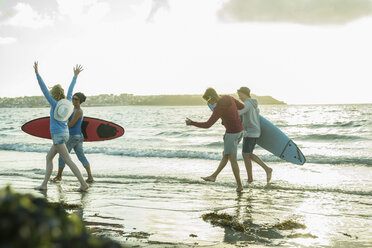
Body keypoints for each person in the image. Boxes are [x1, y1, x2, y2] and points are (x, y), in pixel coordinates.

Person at [33, 61, 89, 191]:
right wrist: (75, 77)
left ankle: (83, 184)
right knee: (49, 157)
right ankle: (44, 185)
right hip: (64, 134)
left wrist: (37, 74)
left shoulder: (54, 104)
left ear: (54, 93)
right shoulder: (68, 103)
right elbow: (70, 91)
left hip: (58, 136)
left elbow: (43, 89)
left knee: (68, 160)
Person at [186, 88, 245, 192]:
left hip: (231, 134)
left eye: (208, 101)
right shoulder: (229, 97)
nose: (209, 103)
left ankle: (240, 186)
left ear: (212, 98)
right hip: (240, 131)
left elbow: (208, 125)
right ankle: (213, 176)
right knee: (226, 155)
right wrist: (230, 117)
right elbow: (241, 106)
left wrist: (192, 123)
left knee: (233, 160)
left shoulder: (219, 108)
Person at [53, 92, 94, 183]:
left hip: (73, 137)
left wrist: (62, 121)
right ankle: (90, 177)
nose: (74, 101)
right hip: (78, 136)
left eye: (76, 99)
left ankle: (59, 176)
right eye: (73, 99)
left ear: (80, 101)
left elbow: (71, 124)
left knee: (62, 156)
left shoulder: (78, 111)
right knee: (81, 157)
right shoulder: (72, 109)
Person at [237, 87, 272, 183]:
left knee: (245, 154)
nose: (239, 97)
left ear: (245, 94)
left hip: (250, 132)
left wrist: (228, 112)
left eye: (240, 95)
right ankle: (252, 177)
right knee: (248, 154)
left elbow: (241, 112)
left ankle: (264, 170)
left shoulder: (247, 103)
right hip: (254, 131)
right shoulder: (253, 104)